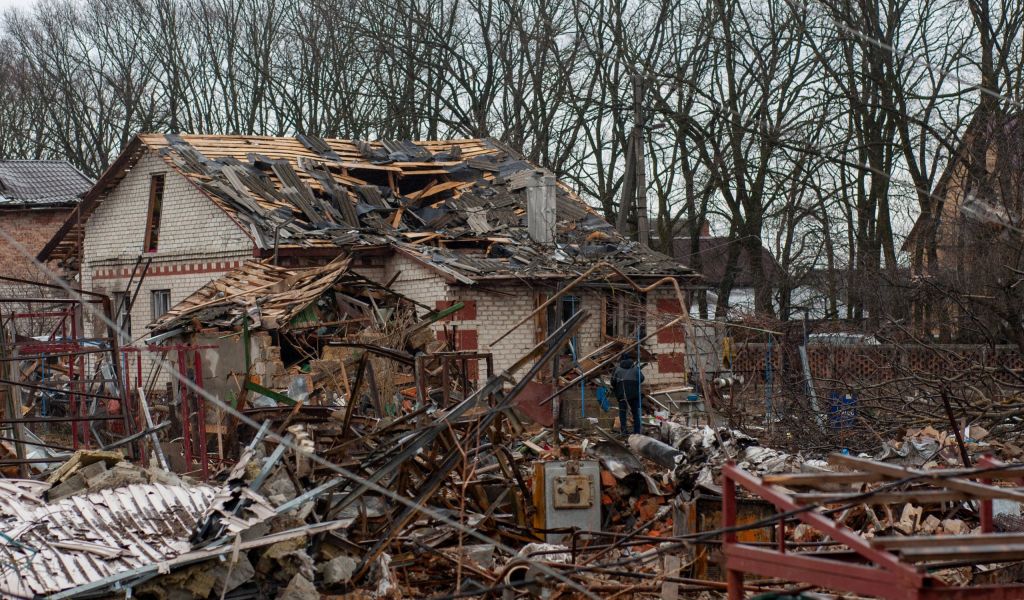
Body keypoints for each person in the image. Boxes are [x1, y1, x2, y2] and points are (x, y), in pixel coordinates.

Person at [611, 356, 644, 435]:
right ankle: (637, 432)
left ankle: (624, 431)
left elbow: (613, 382)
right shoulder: (636, 369)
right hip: (634, 395)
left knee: (623, 413)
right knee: (635, 413)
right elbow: (642, 378)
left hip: (622, 395)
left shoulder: (617, 369)